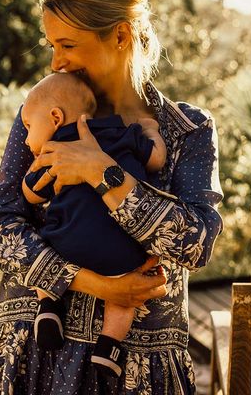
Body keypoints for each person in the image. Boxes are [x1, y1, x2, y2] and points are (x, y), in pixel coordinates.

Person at [0, 0, 223, 394]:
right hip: (33, 358)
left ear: (121, 36)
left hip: (137, 373)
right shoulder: (43, 113)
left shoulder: (187, 130)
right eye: (52, 45)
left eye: (68, 44)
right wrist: (98, 285)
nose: (56, 61)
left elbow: (194, 243)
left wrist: (101, 172)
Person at [20, 72, 167, 377]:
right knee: (126, 298)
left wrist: (44, 175)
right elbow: (155, 160)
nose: (25, 138)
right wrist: (151, 129)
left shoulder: (54, 147)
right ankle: (109, 346)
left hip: (67, 242)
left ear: (55, 118)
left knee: (40, 254)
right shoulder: (121, 130)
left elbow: (31, 194)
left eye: (28, 127)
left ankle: (48, 307)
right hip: (123, 246)